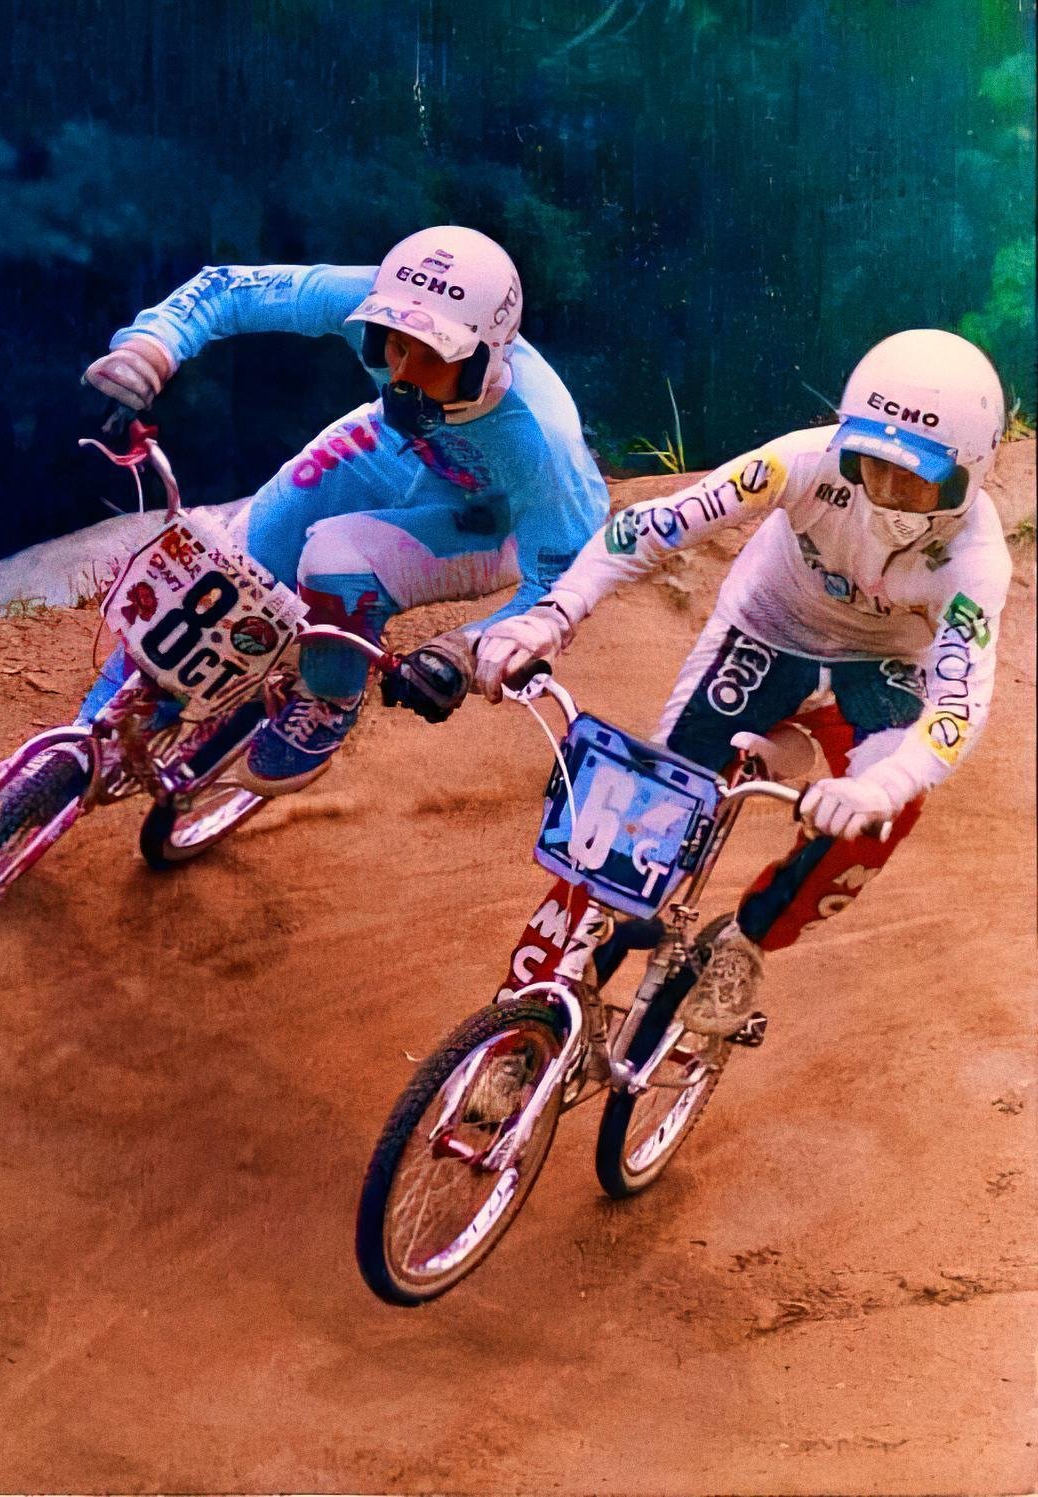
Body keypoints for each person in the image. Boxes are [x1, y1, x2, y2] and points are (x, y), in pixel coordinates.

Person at [466, 328, 1011, 1035]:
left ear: (971, 472)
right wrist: (555, 612)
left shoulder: (976, 562)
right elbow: (656, 526)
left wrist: (879, 787)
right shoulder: (801, 460)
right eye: (872, 467)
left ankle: (745, 942)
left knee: (887, 811)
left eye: (917, 481)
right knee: (635, 818)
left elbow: (957, 708)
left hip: (883, 668)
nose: (889, 499)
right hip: (766, 628)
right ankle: (526, 1009)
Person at [81, 226, 609, 794]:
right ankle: (97, 726)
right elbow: (229, 289)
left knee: (335, 561)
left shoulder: (543, 442)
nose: (402, 375)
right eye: (396, 344)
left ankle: (330, 698)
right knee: (236, 564)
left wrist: (464, 646)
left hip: (491, 524)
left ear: (485, 358)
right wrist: (151, 347)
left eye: (433, 355)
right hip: (396, 445)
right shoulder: (380, 298)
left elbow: (561, 584)